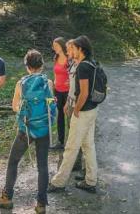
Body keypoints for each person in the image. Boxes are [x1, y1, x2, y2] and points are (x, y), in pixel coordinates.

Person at [0, 50, 55, 213]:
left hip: (25, 129)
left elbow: (15, 107)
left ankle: (7, 197)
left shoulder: (21, 83)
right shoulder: (48, 83)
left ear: (27, 66)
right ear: (41, 65)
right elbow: (50, 105)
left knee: (13, 162)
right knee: (43, 166)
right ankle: (41, 204)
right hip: (44, 129)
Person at [49, 35, 99, 193]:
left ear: (80, 49)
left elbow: (83, 93)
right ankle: (91, 181)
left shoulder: (83, 66)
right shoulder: (92, 62)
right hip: (92, 109)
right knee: (88, 145)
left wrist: (75, 109)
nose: (70, 50)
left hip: (83, 111)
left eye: (73, 48)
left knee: (71, 147)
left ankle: (58, 182)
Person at [51, 37, 70, 150]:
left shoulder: (69, 58)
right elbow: (55, 74)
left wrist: (70, 82)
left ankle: (71, 143)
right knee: (60, 117)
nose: (54, 48)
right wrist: (54, 85)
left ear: (62, 46)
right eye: (53, 46)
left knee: (69, 117)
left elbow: (73, 74)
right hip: (57, 91)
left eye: (56, 46)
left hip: (68, 92)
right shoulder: (56, 58)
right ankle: (60, 141)